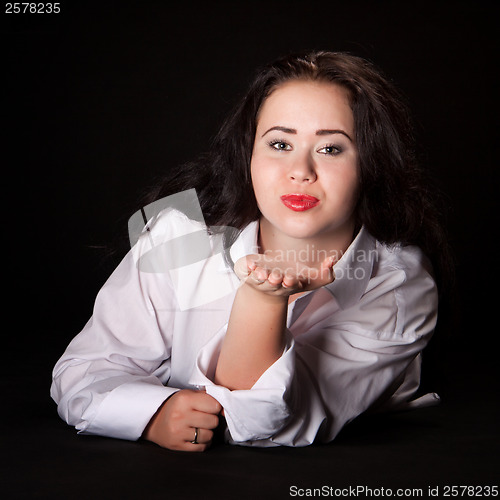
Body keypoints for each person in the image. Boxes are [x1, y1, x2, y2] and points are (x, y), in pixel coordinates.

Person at [51, 50, 451, 451]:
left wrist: (263, 298)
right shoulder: (176, 234)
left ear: (371, 164)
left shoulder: (399, 283)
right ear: (249, 158)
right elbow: (84, 371)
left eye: (330, 149)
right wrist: (151, 412)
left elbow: (267, 423)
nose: (301, 171)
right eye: (279, 144)